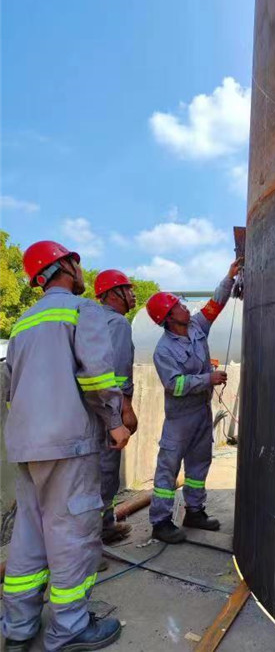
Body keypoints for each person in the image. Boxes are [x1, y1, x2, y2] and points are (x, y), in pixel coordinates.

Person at [1, 241, 130, 652]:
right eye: (77, 262)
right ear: (66, 266)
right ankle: (70, 628)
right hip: (69, 443)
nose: (82, 269)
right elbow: (96, 377)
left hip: (27, 445)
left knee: (29, 536)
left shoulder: (22, 323)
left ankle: (17, 627)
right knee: (73, 535)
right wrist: (114, 422)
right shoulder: (82, 310)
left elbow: (9, 387)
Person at [146, 258, 242, 544]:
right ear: (169, 317)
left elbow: (215, 304)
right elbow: (174, 385)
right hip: (179, 418)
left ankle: (195, 511)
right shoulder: (164, 350)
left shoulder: (197, 327)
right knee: (168, 467)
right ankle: (161, 521)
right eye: (179, 305)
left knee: (199, 464)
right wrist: (207, 379)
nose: (185, 307)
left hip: (201, 411)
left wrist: (229, 277)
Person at [94, 269, 138, 544]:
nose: (133, 295)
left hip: (87, 408)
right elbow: (118, 373)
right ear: (112, 294)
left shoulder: (89, 320)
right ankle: (99, 532)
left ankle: (103, 525)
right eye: (128, 289)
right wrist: (126, 409)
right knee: (107, 471)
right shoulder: (118, 323)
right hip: (108, 408)